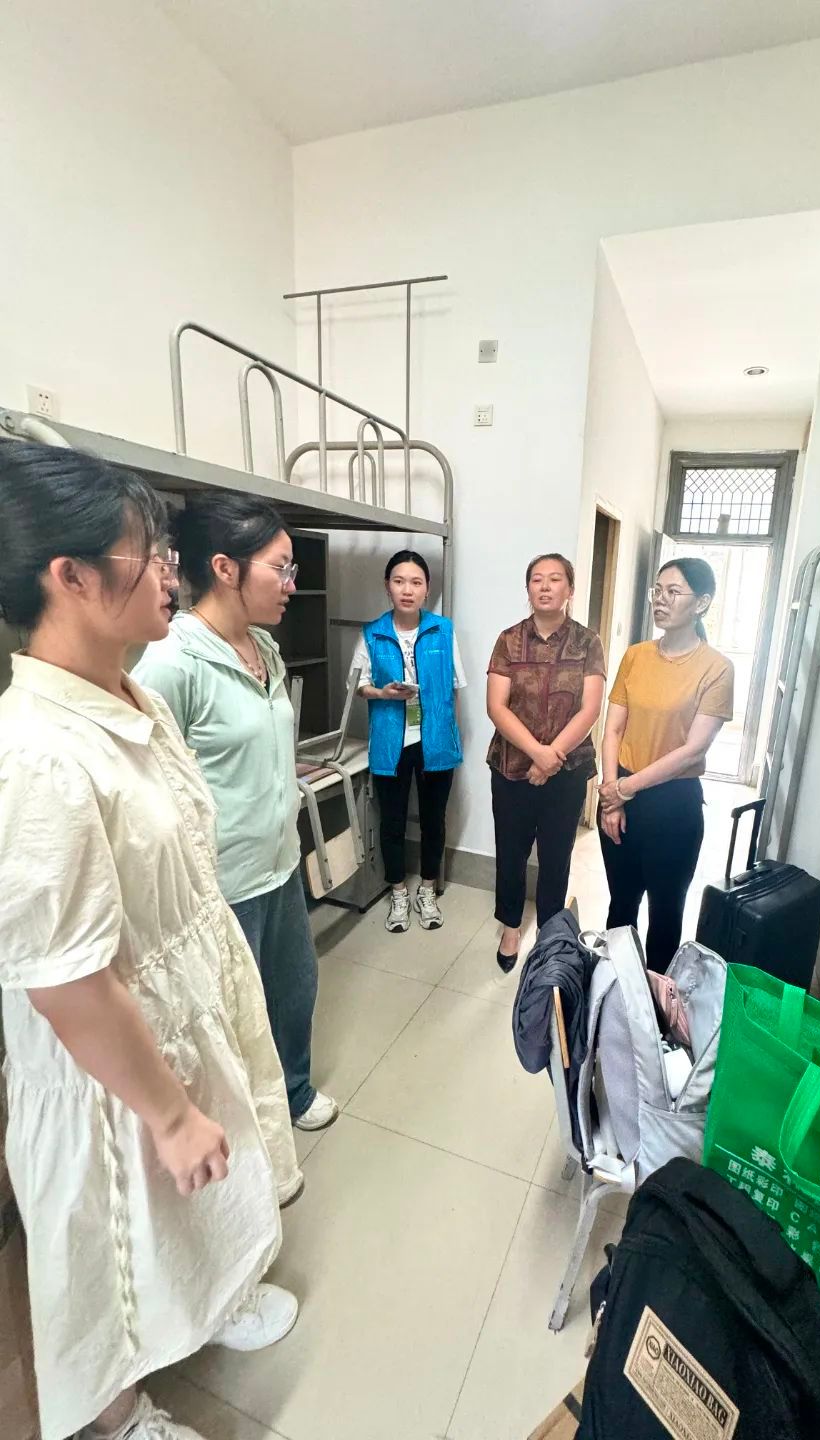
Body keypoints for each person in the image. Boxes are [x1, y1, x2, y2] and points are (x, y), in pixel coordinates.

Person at [0, 442, 300, 1440]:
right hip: (105, 1053)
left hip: (183, 994)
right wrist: (167, 1114)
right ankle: (117, 1416)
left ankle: (216, 1297)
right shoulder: (34, 754)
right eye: (146, 552)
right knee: (104, 1239)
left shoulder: (140, 697)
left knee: (202, 1189)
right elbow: (67, 984)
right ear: (72, 577)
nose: (169, 571)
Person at [134, 494, 338, 1134]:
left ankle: (293, 1093)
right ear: (225, 569)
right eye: (280, 568)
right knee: (225, 1016)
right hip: (221, 884)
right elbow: (150, 780)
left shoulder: (266, 648)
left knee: (293, 990)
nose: (291, 583)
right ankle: (242, 1128)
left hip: (281, 861)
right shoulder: (173, 661)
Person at [598, 558, 734, 973]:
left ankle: (657, 1003)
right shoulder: (636, 656)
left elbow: (693, 750)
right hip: (620, 794)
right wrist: (611, 794)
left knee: (665, 915)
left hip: (673, 804)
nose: (661, 599)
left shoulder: (716, 668)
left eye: (673, 592)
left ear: (701, 603)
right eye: (658, 590)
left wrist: (625, 789)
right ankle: (614, 992)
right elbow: (612, 729)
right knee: (621, 906)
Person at [486, 553, 606, 972]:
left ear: (570, 589)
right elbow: (496, 707)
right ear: (528, 589)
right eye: (537, 579)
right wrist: (537, 753)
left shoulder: (588, 642)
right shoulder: (508, 640)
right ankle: (511, 926)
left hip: (567, 772)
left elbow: (590, 709)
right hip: (511, 767)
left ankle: (551, 934)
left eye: (555, 579)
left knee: (557, 855)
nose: (545, 586)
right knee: (511, 851)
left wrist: (552, 755)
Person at [353, 550, 465, 933]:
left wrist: (447, 733)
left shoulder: (443, 630)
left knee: (434, 821)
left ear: (427, 589)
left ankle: (427, 890)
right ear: (387, 586)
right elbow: (359, 685)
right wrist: (383, 693)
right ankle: (398, 892)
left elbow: (454, 687)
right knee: (392, 821)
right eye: (399, 581)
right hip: (390, 741)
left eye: (416, 582)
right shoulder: (373, 633)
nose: (407, 589)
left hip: (435, 741)